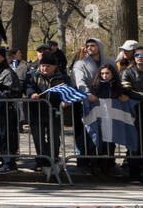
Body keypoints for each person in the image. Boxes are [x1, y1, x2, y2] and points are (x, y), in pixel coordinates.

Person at [24, 52, 68, 171]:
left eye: (48, 66)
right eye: (43, 65)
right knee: (38, 138)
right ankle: (42, 160)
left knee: (53, 137)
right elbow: (27, 86)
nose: (45, 68)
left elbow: (68, 89)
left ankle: (53, 159)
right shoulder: (33, 75)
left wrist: (65, 100)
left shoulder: (61, 77)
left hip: (54, 112)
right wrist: (31, 93)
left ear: (54, 66)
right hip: (36, 112)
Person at [87, 62, 130, 175]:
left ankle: (108, 165)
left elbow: (123, 97)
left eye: (107, 73)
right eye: (102, 73)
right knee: (96, 141)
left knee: (110, 142)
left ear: (112, 74)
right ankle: (94, 165)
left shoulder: (117, 86)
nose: (105, 76)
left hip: (112, 119)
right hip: (98, 119)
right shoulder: (95, 86)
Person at [71, 37, 106, 174]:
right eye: (88, 46)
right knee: (85, 132)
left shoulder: (108, 62)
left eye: (93, 45)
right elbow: (80, 82)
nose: (89, 48)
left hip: (105, 103)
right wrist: (87, 94)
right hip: (85, 102)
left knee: (106, 131)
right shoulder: (80, 64)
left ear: (99, 47)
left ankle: (106, 162)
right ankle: (85, 162)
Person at [0, 46, 20, 173]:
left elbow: (14, 91)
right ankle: (4, 161)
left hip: (6, 110)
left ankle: (9, 163)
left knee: (6, 137)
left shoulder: (8, 72)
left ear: (2, 57)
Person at [119, 48, 143, 182]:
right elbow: (127, 90)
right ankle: (134, 172)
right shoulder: (128, 72)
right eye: (137, 55)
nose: (140, 57)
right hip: (134, 111)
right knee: (135, 141)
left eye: (142, 55)